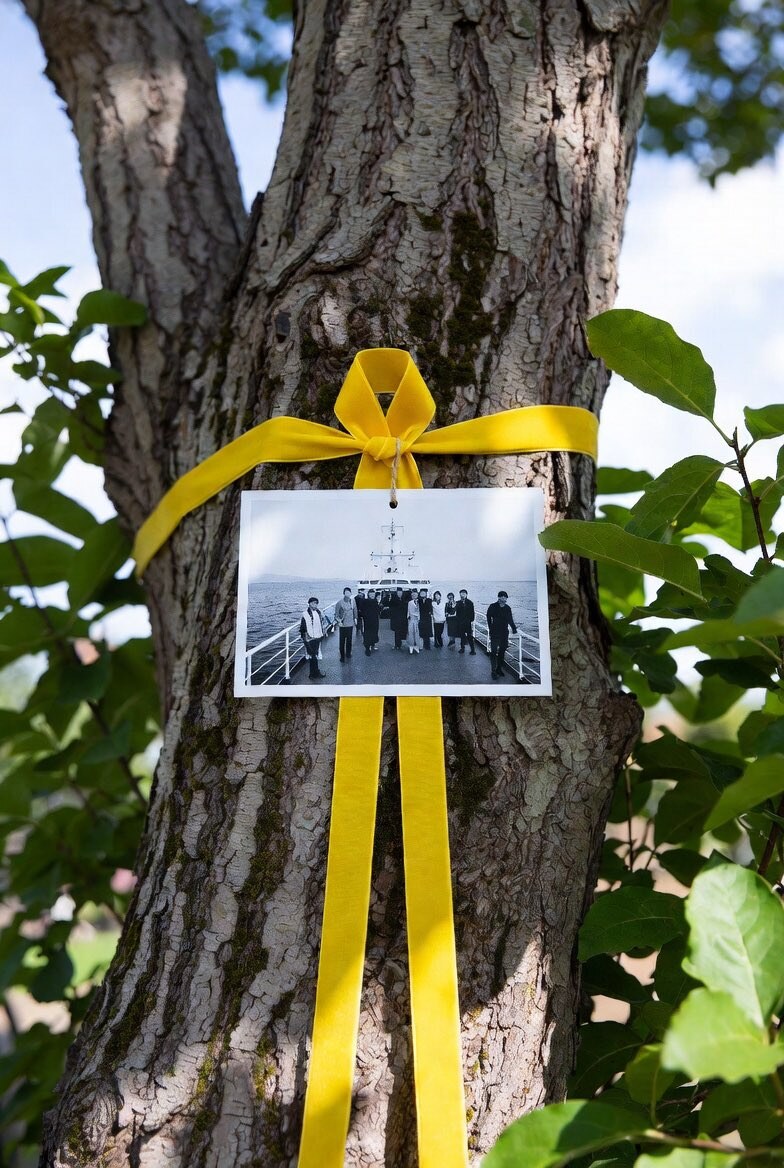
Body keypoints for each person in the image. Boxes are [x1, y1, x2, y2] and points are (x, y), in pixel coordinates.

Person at [486, 590, 518, 678]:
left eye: (505, 597)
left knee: (502, 651)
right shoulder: (492, 606)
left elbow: (510, 619)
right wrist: (490, 627)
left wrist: (514, 628)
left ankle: (499, 669)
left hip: (504, 633)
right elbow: (488, 617)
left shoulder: (508, 608)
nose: (504, 598)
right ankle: (493, 671)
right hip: (494, 632)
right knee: (493, 652)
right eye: (502, 596)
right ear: (499, 597)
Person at [299, 596, 326, 679]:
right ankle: (313, 674)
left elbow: (321, 623)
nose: (315, 605)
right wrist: (306, 640)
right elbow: (303, 629)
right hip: (309, 639)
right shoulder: (305, 615)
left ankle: (314, 673)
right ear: (309, 604)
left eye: (316, 603)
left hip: (317, 637)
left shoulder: (318, 612)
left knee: (315, 655)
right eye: (313, 603)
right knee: (312, 655)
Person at [334, 586, 357, 663]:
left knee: (349, 640)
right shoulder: (339, 603)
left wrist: (356, 619)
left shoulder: (353, 602)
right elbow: (336, 615)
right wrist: (339, 621)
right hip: (343, 625)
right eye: (346, 592)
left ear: (351, 593)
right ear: (343, 593)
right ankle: (342, 656)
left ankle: (348, 653)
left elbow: (355, 611)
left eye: (349, 592)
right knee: (342, 641)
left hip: (350, 624)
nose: (348, 594)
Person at [455, 589, 476, 654]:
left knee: (469, 636)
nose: (463, 595)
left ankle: (473, 650)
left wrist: (471, 620)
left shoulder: (470, 602)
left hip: (467, 622)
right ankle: (462, 648)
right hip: (460, 622)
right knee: (462, 636)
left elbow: (472, 612)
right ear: (460, 595)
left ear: (466, 594)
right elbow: (456, 612)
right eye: (461, 594)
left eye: (464, 594)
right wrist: (458, 620)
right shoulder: (458, 603)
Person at [362, 588, 381, 655]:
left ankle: (372, 645)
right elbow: (363, 611)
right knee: (368, 634)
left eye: (373, 594)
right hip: (368, 621)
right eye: (371, 594)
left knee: (374, 633)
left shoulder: (375, 601)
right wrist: (365, 617)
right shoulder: (365, 601)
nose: (372, 595)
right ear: (368, 594)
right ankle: (367, 648)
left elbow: (378, 611)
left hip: (375, 621)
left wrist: (380, 606)